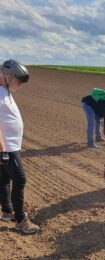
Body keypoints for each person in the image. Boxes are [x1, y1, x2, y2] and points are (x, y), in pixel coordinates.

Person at [0, 59, 40, 234]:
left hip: (8, 146)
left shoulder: (4, 90)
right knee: (20, 178)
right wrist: (2, 148)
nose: (21, 86)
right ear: (7, 77)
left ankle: (7, 212)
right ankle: (21, 221)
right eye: (19, 81)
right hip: (6, 147)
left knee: (3, 179)